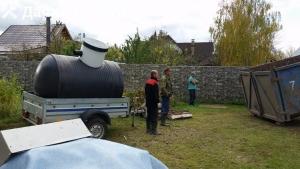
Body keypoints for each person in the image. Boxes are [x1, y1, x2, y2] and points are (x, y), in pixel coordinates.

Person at [145, 70, 160, 135]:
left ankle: (148, 129)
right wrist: (158, 101)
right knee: (154, 116)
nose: (157, 75)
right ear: (154, 75)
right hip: (153, 103)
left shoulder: (147, 82)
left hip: (148, 102)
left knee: (149, 116)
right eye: (157, 74)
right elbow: (155, 94)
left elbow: (146, 93)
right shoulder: (155, 83)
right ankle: (154, 131)